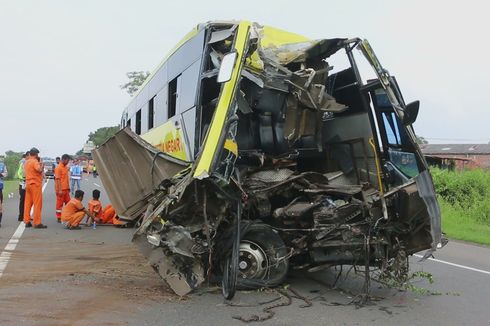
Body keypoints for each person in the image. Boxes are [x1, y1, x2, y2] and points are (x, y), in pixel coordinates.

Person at [23, 147, 47, 229]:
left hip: (28, 184)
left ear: (30, 154)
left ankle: (27, 221)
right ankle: (37, 223)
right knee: (37, 204)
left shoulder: (27, 162)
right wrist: (42, 165)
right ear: (36, 154)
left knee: (27, 203)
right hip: (35, 184)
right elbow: (39, 170)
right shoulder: (35, 161)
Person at [54, 154, 71, 223]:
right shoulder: (58, 168)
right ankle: (59, 217)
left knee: (69, 203)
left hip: (66, 189)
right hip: (61, 190)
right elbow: (58, 180)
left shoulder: (65, 167)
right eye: (67, 161)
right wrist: (60, 190)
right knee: (59, 204)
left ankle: (67, 215)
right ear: (64, 159)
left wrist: (68, 187)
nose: (68, 162)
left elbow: (66, 179)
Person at [16, 152, 29, 221]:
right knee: (23, 200)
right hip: (23, 184)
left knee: (27, 200)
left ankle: (25, 215)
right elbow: (19, 173)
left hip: (27, 184)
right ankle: (21, 216)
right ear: (26, 156)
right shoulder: (23, 162)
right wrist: (24, 178)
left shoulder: (27, 162)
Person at [0, 159, 8, 228]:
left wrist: (1, 174)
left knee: (0, 205)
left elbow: (6, 174)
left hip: (0, 186)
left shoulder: (2, 165)